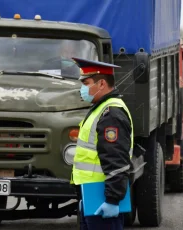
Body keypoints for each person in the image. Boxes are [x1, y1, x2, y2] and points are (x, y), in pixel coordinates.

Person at [70, 57, 133, 230]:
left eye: (86, 83)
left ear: (102, 84)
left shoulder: (111, 113)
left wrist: (112, 200)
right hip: (93, 196)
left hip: (103, 200)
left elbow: (116, 159)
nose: (82, 88)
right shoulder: (101, 108)